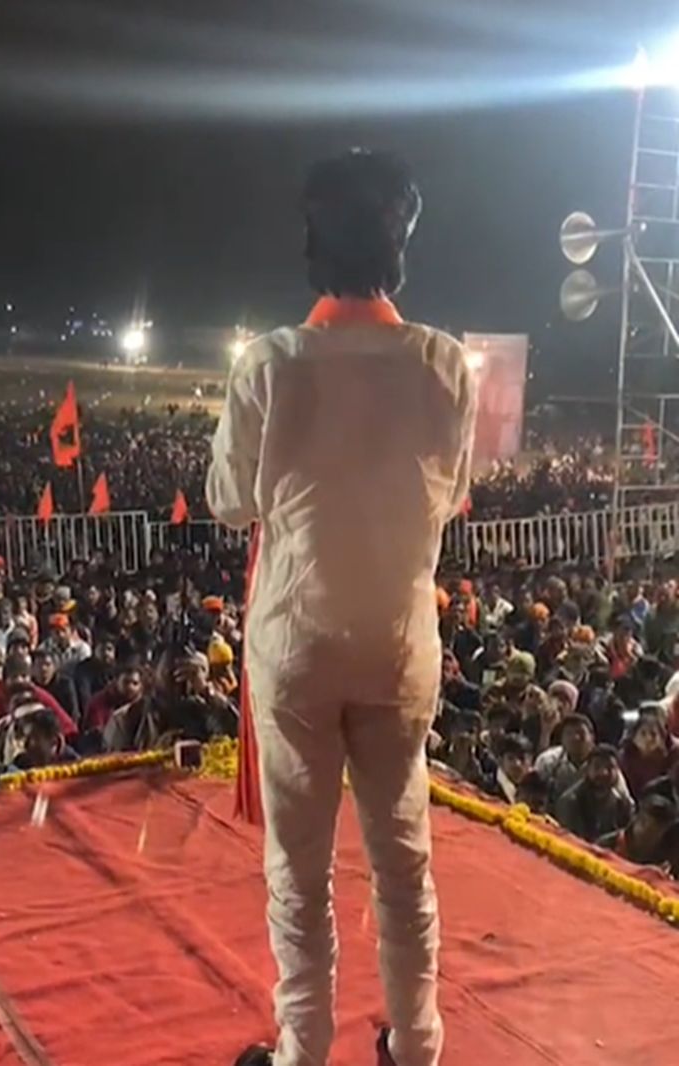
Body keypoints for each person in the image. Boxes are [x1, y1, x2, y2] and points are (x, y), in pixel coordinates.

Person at [208, 149, 476, 1066]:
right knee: (403, 857)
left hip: (296, 644)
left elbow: (226, 499)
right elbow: (449, 492)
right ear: (400, 244)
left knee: (301, 869)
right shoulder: (446, 364)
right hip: (401, 645)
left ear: (314, 243)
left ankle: (302, 1052)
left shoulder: (270, 364)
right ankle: (417, 1044)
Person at [555, 745, 634, 843]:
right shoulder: (570, 801)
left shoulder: (623, 804)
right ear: (587, 769)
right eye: (597, 767)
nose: (604, 772)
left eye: (610, 768)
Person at [483, 734, 533, 803]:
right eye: (511, 758)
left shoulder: (534, 792)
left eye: (522, 758)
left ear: (530, 762)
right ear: (500, 761)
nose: (517, 764)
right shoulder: (485, 786)